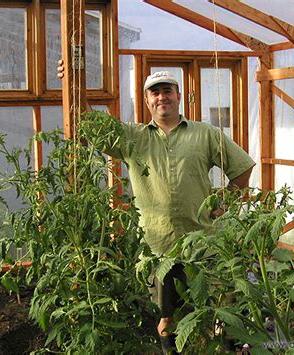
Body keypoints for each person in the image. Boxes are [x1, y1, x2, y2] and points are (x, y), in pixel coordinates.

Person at [58, 66, 255, 353]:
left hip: (203, 244)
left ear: (178, 97)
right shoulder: (133, 137)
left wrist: (226, 202)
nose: (162, 97)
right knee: (167, 316)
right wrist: (75, 83)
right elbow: (90, 125)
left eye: (167, 91)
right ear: (147, 100)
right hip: (157, 246)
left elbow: (242, 168)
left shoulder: (204, 134)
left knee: (218, 310)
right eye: (155, 92)